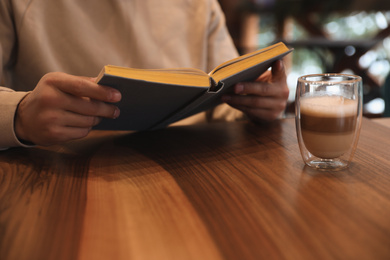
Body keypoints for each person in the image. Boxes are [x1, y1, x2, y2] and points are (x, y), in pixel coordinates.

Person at [0, 0, 289, 149]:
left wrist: (258, 103)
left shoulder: (201, 4)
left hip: (193, 165)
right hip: (63, 175)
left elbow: (225, 96)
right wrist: (19, 115)